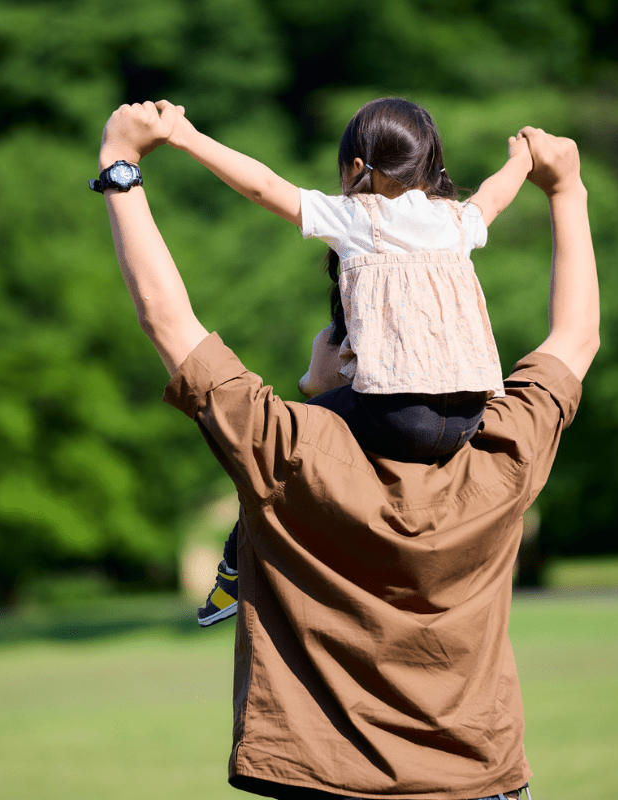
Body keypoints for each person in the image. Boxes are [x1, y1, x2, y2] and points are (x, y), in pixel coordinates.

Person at [91, 100, 598, 800]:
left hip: (328, 784)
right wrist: (565, 189)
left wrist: (122, 167)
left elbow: (169, 321)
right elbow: (575, 337)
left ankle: (229, 577)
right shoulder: (503, 454)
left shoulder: (287, 453)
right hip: (481, 784)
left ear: (357, 351)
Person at [155, 97, 535, 626]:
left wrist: (185, 136)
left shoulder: (357, 218)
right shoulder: (455, 220)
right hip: (469, 414)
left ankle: (233, 573)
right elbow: (495, 193)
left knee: (277, 454)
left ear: (357, 169)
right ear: (430, 168)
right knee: (323, 417)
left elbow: (264, 185)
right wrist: (522, 158)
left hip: (397, 412)